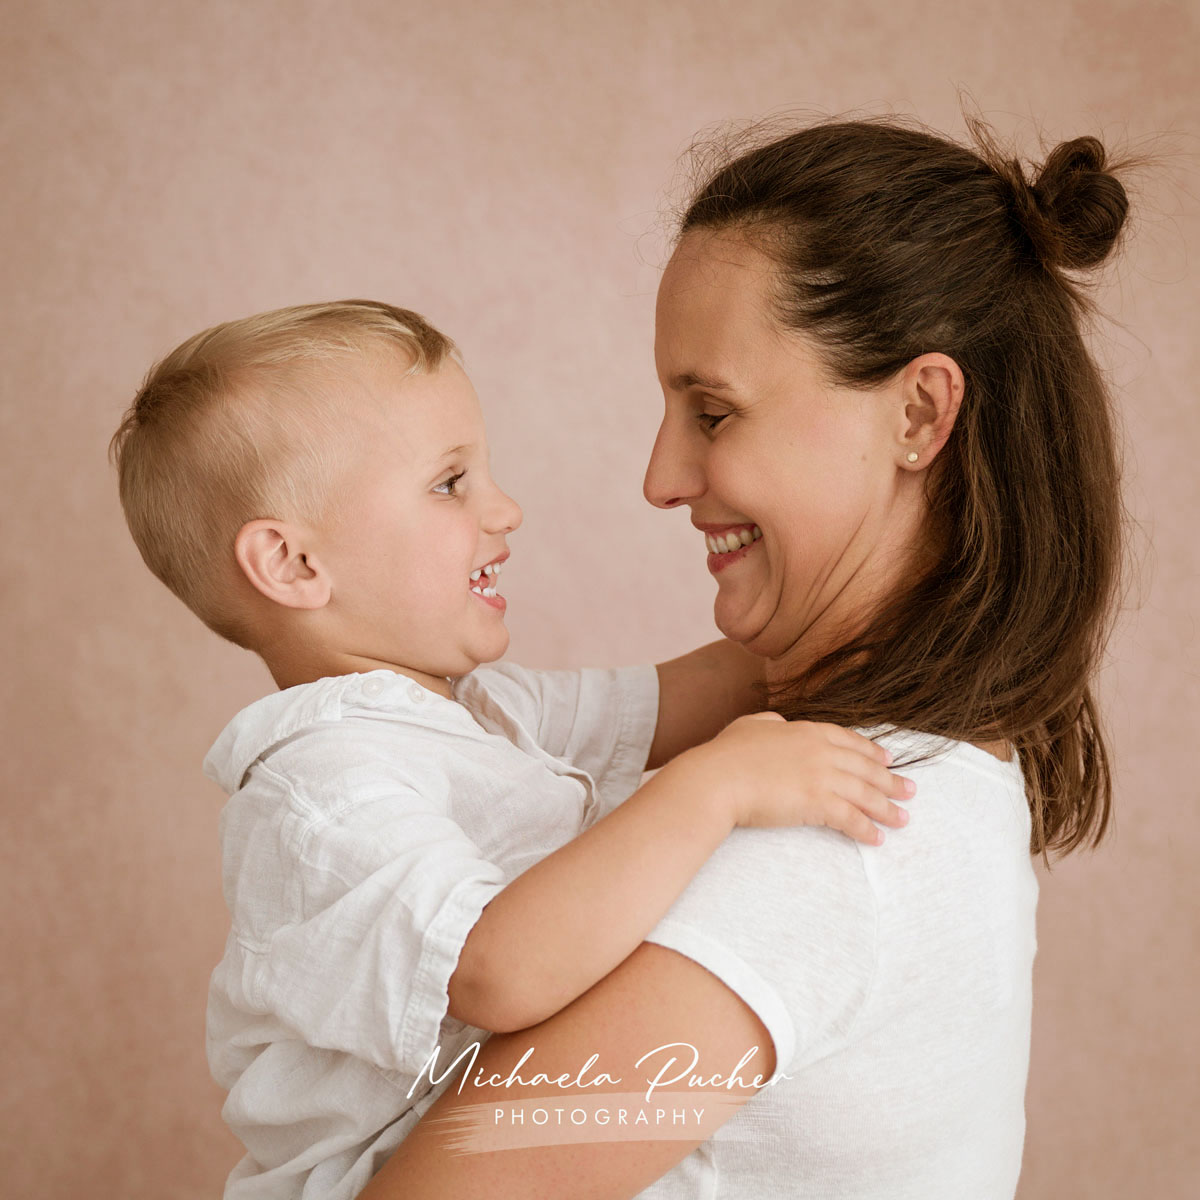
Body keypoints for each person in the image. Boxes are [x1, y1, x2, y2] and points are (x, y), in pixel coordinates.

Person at [360, 117, 1129, 1199]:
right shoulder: (919, 766)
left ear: (919, 412)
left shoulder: (834, 843)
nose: (662, 477)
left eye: (712, 411)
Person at [108, 300, 916, 1198]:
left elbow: (696, 691)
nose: (505, 509)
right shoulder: (324, 792)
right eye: (450, 483)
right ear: (295, 565)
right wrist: (712, 790)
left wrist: (873, 603)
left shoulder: (482, 709)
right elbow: (497, 972)